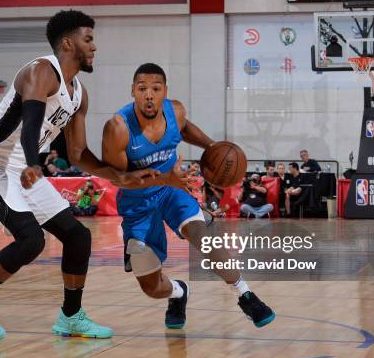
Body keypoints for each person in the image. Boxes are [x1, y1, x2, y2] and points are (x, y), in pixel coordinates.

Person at [0, 10, 156, 342]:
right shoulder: (41, 71)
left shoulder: (79, 94)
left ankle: (71, 316)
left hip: (26, 169)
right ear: (67, 43)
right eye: (88, 39)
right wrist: (35, 163)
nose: (94, 47)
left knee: (78, 237)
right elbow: (30, 127)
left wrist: (120, 176)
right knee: (31, 240)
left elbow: (78, 154)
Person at [101, 63, 275, 329]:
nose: (149, 94)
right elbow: (118, 179)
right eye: (142, 88)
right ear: (132, 91)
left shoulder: (175, 111)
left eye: (156, 89)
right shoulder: (117, 128)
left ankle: (245, 295)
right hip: (137, 203)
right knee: (151, 287)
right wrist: (163, 178)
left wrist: (213, 147)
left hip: (172, 190)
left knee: (202, 237)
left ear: (164, 91)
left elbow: (184, 128)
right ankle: (178, 292)